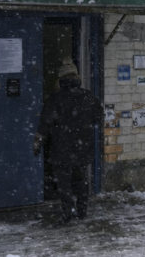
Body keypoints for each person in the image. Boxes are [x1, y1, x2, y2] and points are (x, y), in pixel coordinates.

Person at [33, 58, 104, 224]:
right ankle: (82, 211)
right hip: (82, 146)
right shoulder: (88, 96)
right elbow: (98, 117)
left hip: (61, 148)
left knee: (64, 182)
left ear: (61, 79)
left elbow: (45, 123)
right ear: (77, 78)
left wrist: (38, 141)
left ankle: (67, 212)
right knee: (81, 180)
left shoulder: (55, 99)